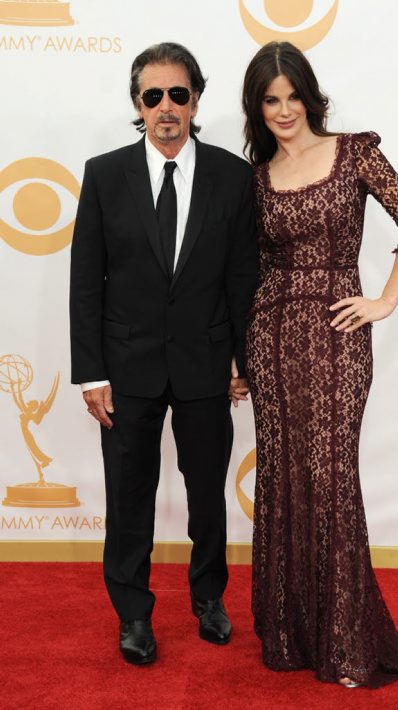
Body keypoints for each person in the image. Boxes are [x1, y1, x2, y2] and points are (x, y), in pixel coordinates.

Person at [242, 41, 398, 688]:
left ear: (309, 95)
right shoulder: (256, 175)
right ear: (257, 107)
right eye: (270, 100)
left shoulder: (354, 152)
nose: (284, 109)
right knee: (283, 478)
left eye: (293, 95)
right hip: (269, 333)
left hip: (336, 330)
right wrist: (240, 356)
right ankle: (292, 636)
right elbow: (255, 269)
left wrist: (384, 300)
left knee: (329, 476)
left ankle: (348, 639)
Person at [70, 42, 258, 665]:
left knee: (206, 491)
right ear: (138, 104)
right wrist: (91, 373)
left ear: (196, 99)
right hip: (125, 370)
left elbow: (242, 277)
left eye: (179, 94)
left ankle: (209, 597)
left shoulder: (234, 176)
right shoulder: (103, 173)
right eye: (154, 96)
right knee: (128, 497)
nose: (167, 107)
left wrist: (242, 359)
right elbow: (86, 279)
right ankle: (132, 613)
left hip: (207, 362)